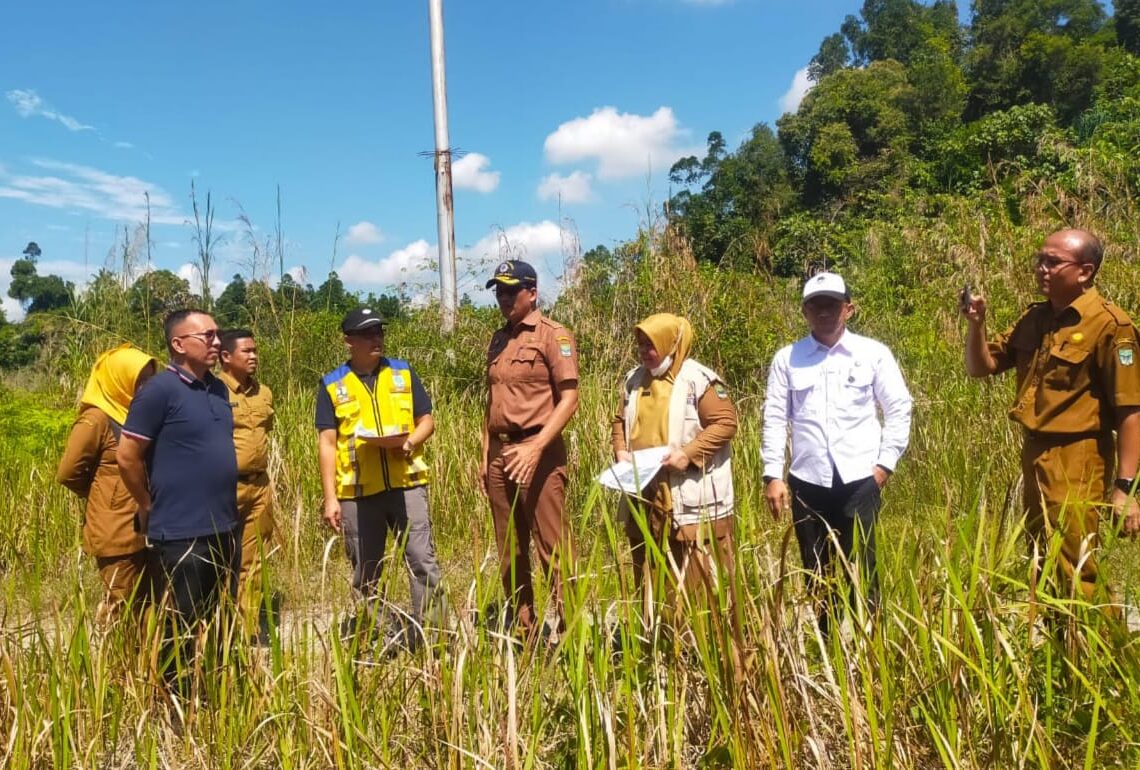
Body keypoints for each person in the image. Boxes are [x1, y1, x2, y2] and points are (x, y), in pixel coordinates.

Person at [962, 229, 1140, 610]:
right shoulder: (1037, 319)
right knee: (1043, 565)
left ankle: (1106, 663)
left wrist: (1125, 487)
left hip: (1079, 456)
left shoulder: (1110, 326)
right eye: (1039, 260)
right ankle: (1062, 658)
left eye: (1053, 262)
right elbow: (983, 366)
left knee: (1076, 568)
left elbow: (1130, 410)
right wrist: (977, 324)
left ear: (1085, 271)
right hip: (1036, 453)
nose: (1042, 269)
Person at [763, 272, 913, 638]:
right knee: (816, 566)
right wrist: (773, 475)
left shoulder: (873, 353)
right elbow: (774, 416)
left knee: (863, 561)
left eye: (832, 304)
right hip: (806, 480)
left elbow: (899, 407)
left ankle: (871, 642)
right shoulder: (788, 358)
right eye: (816, 305)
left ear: (849, 308)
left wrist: (883, 467)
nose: (824, 311)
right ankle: (828, 644)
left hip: (861, 477)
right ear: (805, 311)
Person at [118, 309, 240, 696]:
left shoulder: (218, 389)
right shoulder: (158, 392)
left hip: (224, 525)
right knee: (180, 622)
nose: (217, 342)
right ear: (178, 344)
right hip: (183, 531)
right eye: (207, 336)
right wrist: (145, 503)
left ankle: (216, 693)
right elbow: (127, 455)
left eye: (218, 335)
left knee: (221, 618)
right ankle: (175, 702)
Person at [610, 314, 740, 656]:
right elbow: (619, 421)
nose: (644, 351)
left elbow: (726, 422)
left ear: (672, 343)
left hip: (689, 494)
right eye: (640, 344)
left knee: (697, 573)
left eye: (651, 345)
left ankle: (705, 650)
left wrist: (688, 453)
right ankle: (657, 644)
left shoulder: (700, 379)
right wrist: (621, 450)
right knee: (650, 569)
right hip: (645, 493)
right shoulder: (634, 380)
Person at [316, 307, 444, 649]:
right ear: (349, 341)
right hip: (358, 492)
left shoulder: (403, 373)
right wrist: (330, 497)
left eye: (380, 332)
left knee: (422, 561)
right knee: (366, 572)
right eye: (368, 334)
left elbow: (426, 420)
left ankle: (433, 637)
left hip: (407, 484)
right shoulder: (332, 384)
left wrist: (409, 442)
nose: (377, 339)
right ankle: (385, 635)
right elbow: (328, 443)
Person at [481, 259, 579, 640]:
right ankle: (525, 632)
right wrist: (485, 455)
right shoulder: (498, 339)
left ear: (532, 292)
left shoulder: (553, 335)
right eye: (499, 292)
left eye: (511, 291)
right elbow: (492, 400)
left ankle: (572, 635)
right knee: (510, 551)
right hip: (501, 454)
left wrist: (537, 448)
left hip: (539, 451)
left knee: (552, 547)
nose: (503, 298)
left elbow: (569, 398)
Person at [57, 343, 158, 625]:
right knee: (122, 604)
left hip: (151, 524)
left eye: (151, 379)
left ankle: (148, 665)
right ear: (120, 379)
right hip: (115, 527)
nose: (148, 387)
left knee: (152, 603)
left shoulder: (145, 416)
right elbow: (68, 473)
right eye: (141, 380)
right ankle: (115, 666)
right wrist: (107, 494)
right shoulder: (96, 419)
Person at [218, 329, 275, 643]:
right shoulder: (213, 392)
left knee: (252, 562)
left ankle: (249, 631)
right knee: (217, 559)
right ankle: (216, 628)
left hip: (259, 487)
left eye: (255, 351)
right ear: (226, 356)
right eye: (246, 352)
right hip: (225, 488)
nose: (253, 356)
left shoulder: (263, 392)